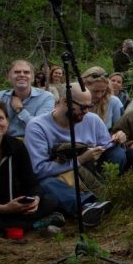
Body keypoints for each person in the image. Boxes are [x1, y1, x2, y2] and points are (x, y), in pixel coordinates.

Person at [23, 83, 120, 225]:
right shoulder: (38, 126)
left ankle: (107, 197)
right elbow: (38, 170)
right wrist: (79, 159)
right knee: (46, 183)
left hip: (88, 173)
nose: (86, 111)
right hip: (57, 178)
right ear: (64, 102)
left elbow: (107, 146)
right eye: (83, 107)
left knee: (118, 153)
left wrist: (117, 140)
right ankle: (86, 205)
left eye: (90, 106)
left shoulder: (92, 119)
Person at [0, 101, 66, 236]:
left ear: (7, 122)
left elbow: (31, 182)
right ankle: (33, 225)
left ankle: (7, 227)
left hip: (16, 206)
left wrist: (35, 199)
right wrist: (2, 209)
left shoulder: (16, 146)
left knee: (50, 200)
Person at [0, 60, 55, 139]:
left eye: (26, 72)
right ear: (9, 77)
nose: (22, 75)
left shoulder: (45, 97)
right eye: (17, 72)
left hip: (33, 141)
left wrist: (20, 110)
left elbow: (41, 126)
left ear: (32, 77)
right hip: (4, 141)